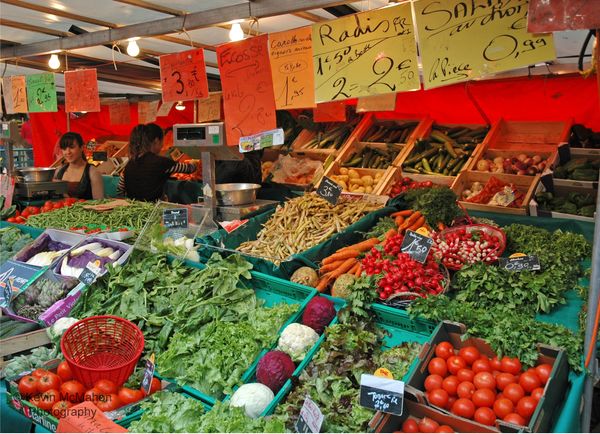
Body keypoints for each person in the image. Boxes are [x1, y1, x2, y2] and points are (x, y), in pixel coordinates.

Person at [118, 123, 197, 201]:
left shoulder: (129, 164)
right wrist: (195, 161)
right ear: (156, 141)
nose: (163, 145)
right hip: (154, 209)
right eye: (162, 141)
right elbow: (190, 169)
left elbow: (120, 190)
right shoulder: (162, 163)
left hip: (135, 208)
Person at [53, 132, 104, 200]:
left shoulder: (92, 172)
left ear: (82, 147)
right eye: (64, 149)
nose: (68, 152)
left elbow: (99, 202)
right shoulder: (59, 171)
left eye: (72, 147)